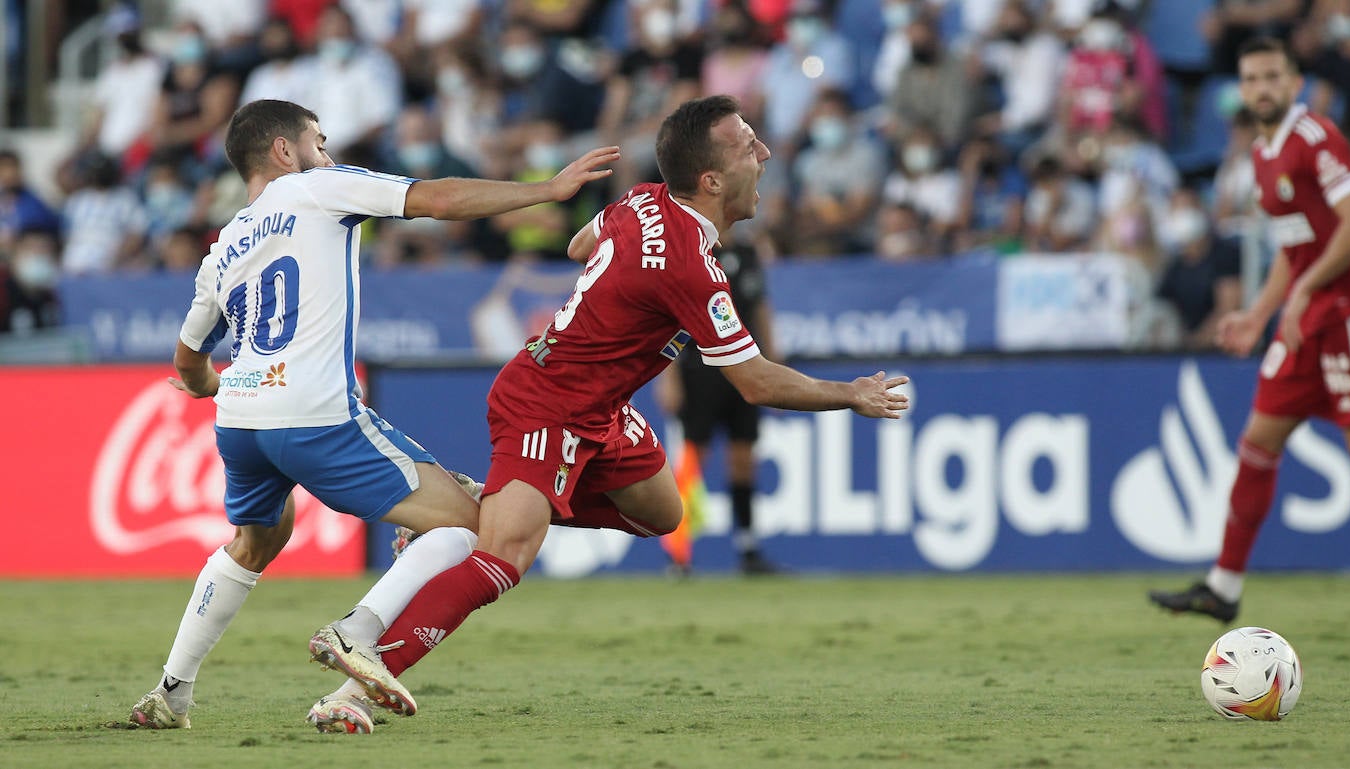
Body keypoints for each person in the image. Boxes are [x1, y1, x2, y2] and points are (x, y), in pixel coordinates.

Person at [301, 95, 910, 732]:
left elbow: (577, 244)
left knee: (662, 514)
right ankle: (357, 679)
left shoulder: (644, 198)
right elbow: (755, 383)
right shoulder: (692, 267)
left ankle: (486, 501)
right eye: (749, 145)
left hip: (601, 408)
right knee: (505, 554)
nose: (763, 155)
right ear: (711, 180)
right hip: (549, 404)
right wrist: (851, 393)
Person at [127, 98, 620, 729]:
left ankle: (172, 692)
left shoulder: (221, 249)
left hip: (241, 419)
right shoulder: (319, 188)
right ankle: (357, 631)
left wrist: (210, 385)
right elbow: (436, 200)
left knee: (255, 542)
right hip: (314, 412)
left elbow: (188, 360)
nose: (327, 154)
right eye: (318, 141)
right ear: (285, 151)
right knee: (470, 527)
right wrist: (547, 190)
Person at [1149, 37, 1350, 621]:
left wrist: (1303, 291)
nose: (1262, 88)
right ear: (1241, 90)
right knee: (1257, 445)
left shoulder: (1316, 139)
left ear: (1294, 82)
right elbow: (1290, 248)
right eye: (1251, 79)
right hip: (1301, 323)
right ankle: (1223, 587)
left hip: (1349, 312)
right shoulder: (1262, 153)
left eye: (1272, 76)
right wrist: (1256, 311)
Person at [654, 227, 781, 574]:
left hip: (746, 366)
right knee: (694, 460)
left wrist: (774, 368)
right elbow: (668, 319)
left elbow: (761, 309)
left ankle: (748, 547)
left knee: (743, 458)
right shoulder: (690, 251)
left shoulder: (748, 254)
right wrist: (668, 376)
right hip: (699, 369)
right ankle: (679, 552)